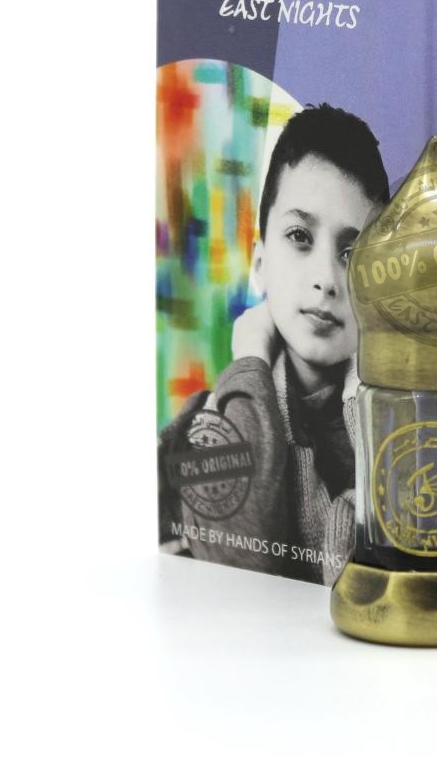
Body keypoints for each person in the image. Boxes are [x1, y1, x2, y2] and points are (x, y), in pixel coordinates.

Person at [158, 103, 388, 584]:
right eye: (300, 236)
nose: (326, 279)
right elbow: (238, 568)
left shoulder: (408, 427)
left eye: (352, 253)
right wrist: (251, 362)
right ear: (260, 264)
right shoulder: (201, 426)